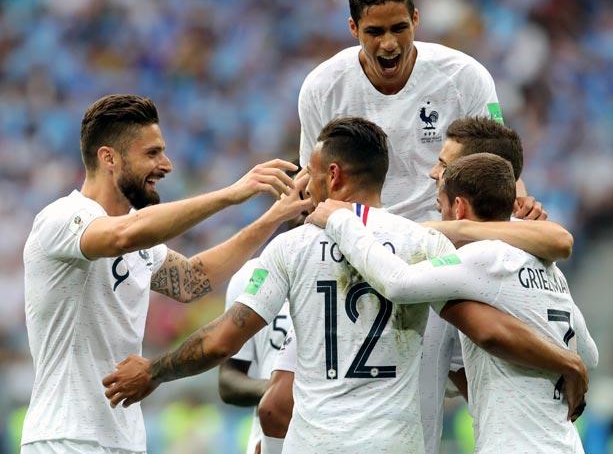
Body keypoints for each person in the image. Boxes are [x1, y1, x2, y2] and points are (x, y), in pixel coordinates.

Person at [103, 119, 585, 454]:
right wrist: (563, 359)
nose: (305, 187)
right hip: (395, 443)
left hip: (319, 442)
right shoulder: (424, 244)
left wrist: (154, 371)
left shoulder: (291, 250)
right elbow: (486, 329)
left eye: (310, 175)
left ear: (332, 175)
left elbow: (222, 341)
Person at [296, 0, 546, 452]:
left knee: (499, 374)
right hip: (368, 248)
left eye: (399, 29)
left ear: (416, 19)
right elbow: (316, 180)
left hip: (451, 241)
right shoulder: (322, 87)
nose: (388, 44)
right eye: (374, 32)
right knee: (411, 400)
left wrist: (519, 202)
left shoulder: (463, 75)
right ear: (353, 30)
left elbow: (500, 161)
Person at [21, 94, 310, 454]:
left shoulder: (140, 240)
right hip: (64, 438)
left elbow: (192, 279)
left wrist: (273, 217)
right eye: (152, 153)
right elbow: (121, 236)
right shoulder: (62, 218)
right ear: (109, 158)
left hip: (124, 439)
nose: (166, 164)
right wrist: (232, 195)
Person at [266, 116, 570, 452]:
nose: (432, 173)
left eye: (444, 164)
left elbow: (557, 243)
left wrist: (341, 221)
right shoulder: (512, 254)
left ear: (473, 176)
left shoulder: (456, 252)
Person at [218, 168, 306, 454]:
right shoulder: (252, 276)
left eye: (312, 196)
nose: (305, 207)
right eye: (298, 196)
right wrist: (280, 389)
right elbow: (228, 380)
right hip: (269, 442)